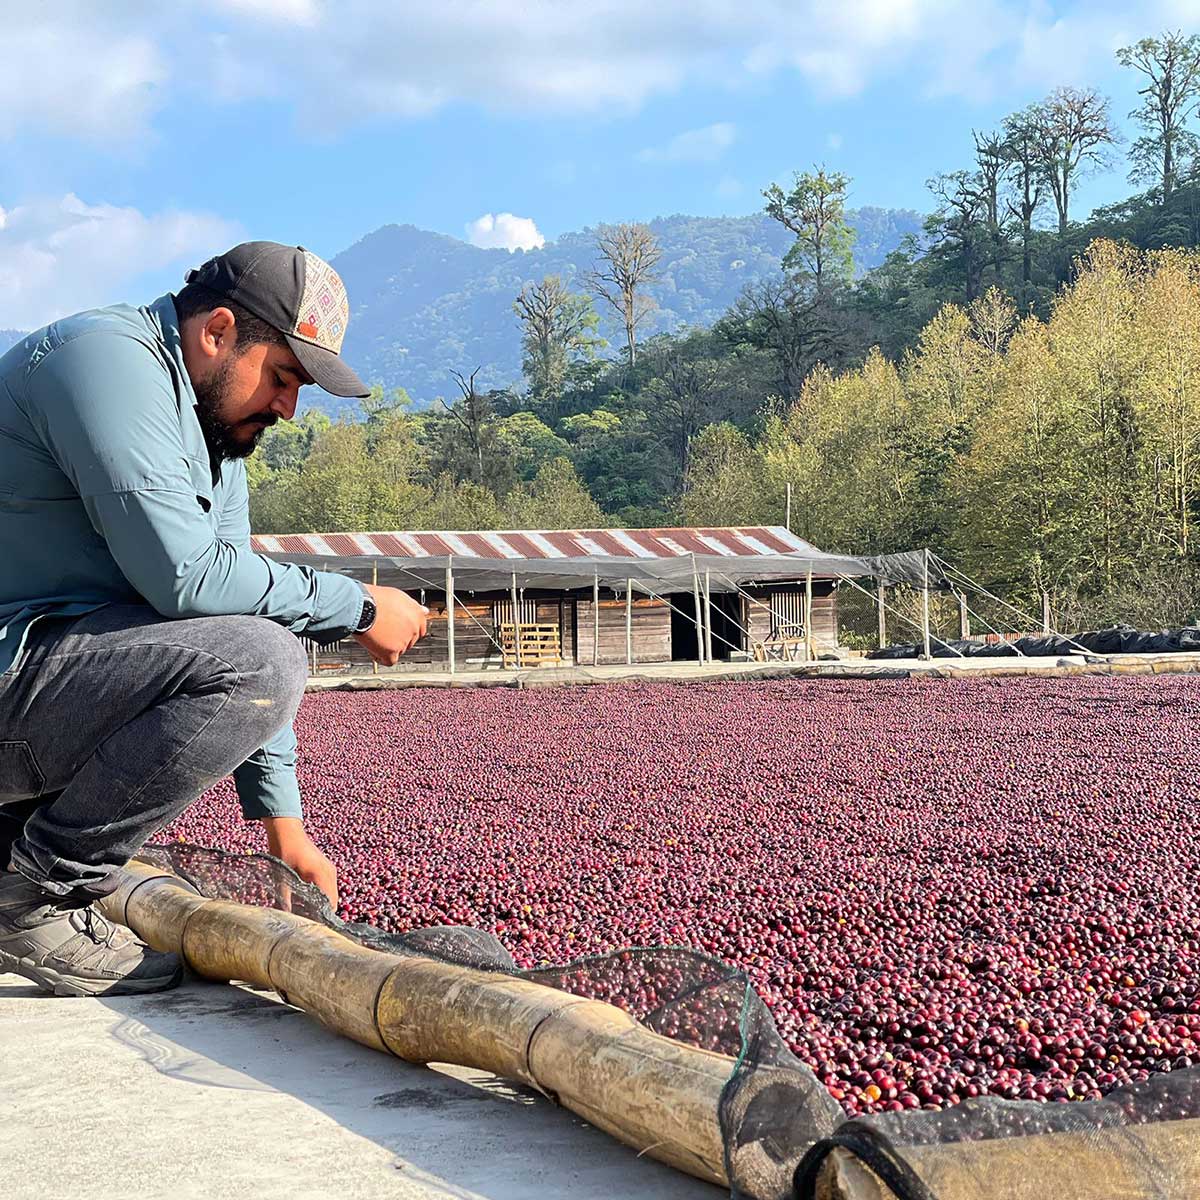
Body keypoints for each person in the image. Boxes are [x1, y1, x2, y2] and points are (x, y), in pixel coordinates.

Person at [0, 241, 428, 997]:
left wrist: (284, 830)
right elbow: (189, 579)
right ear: (218, 331)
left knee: (261, 650)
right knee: (262, 658)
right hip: (16, 666)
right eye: (283, 377)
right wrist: (358, 606)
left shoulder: (214, 442)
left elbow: (236, 616)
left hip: (32, 681)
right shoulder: (103, 360)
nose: (289, 408)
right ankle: (32, 894)